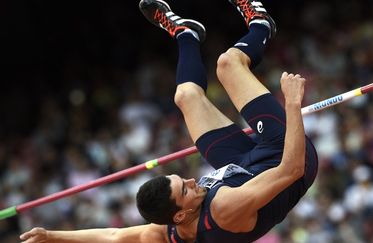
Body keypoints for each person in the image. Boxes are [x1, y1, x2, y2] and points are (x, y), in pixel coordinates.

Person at [20, 0, 318, 242]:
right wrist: (292, 103)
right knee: (228, 65)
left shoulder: (169, 231)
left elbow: (113, 236)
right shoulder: (224, 210)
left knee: (186, 97)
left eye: (182, 180)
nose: (191, 179)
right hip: (286, 158)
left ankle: (186, 34)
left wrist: (52, 236)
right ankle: (261, 23)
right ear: (181, 214)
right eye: (185, 190)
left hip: (242, 164)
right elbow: (291, 169)